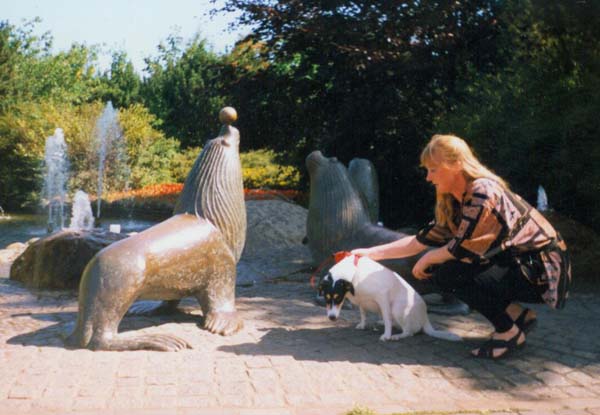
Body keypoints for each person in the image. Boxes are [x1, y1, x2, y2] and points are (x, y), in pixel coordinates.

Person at [352, 134, 571, 359]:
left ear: (456, 164)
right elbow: (420, 241)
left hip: (543, 272)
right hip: (522, 265)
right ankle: (518, 316)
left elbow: (463, 248)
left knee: (449, 272)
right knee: (447, 269)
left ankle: (509, 333)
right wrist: (370, 253)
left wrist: (429, 258)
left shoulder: (483, 191)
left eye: (433, 170)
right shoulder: (456, 201)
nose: (428, 177)